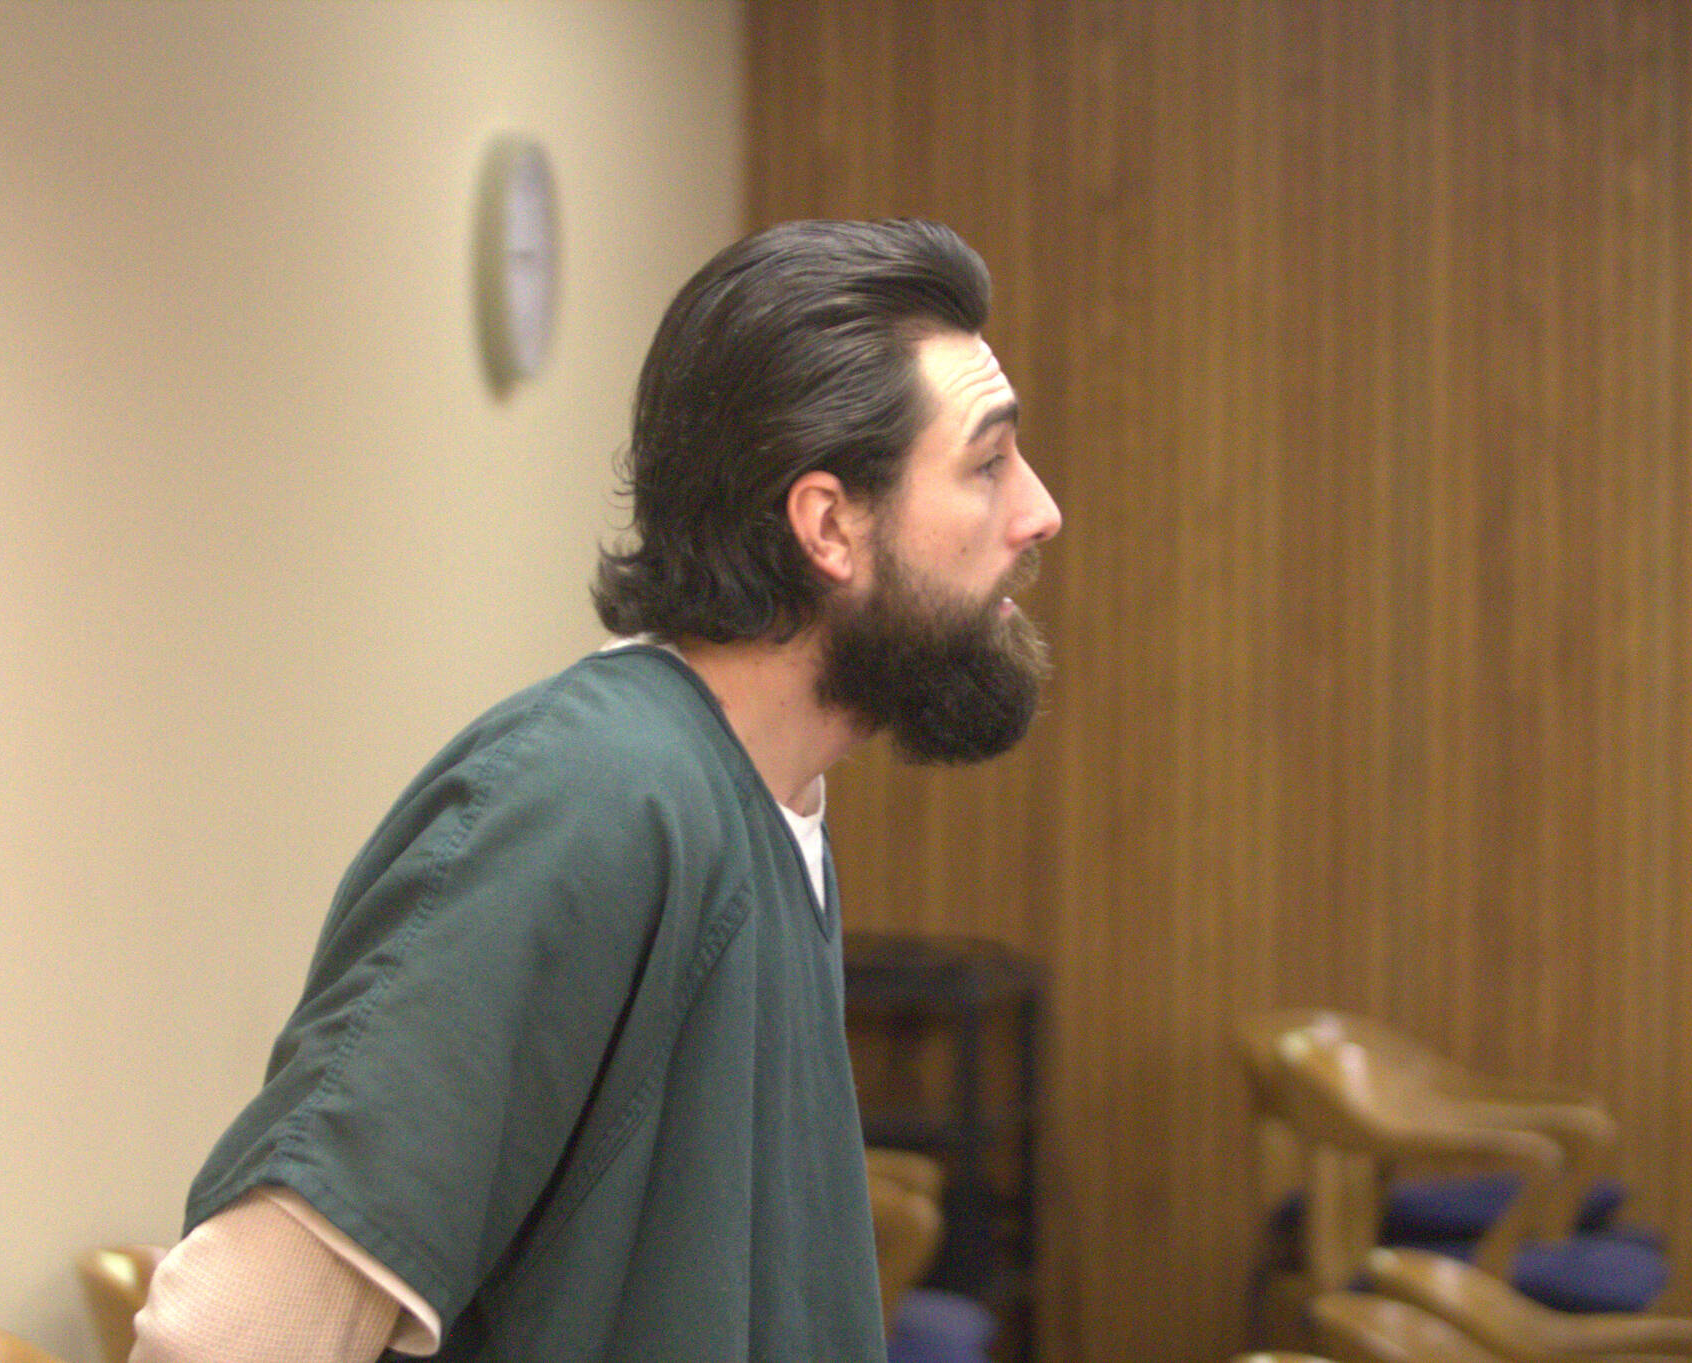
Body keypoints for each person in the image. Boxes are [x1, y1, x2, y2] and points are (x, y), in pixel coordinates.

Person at [129, 217, 1063, 1363]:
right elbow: (228, 1333)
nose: (1036, 510)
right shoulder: (597, 795)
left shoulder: (768, 803)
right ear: (828, 523)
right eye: (986, 461)